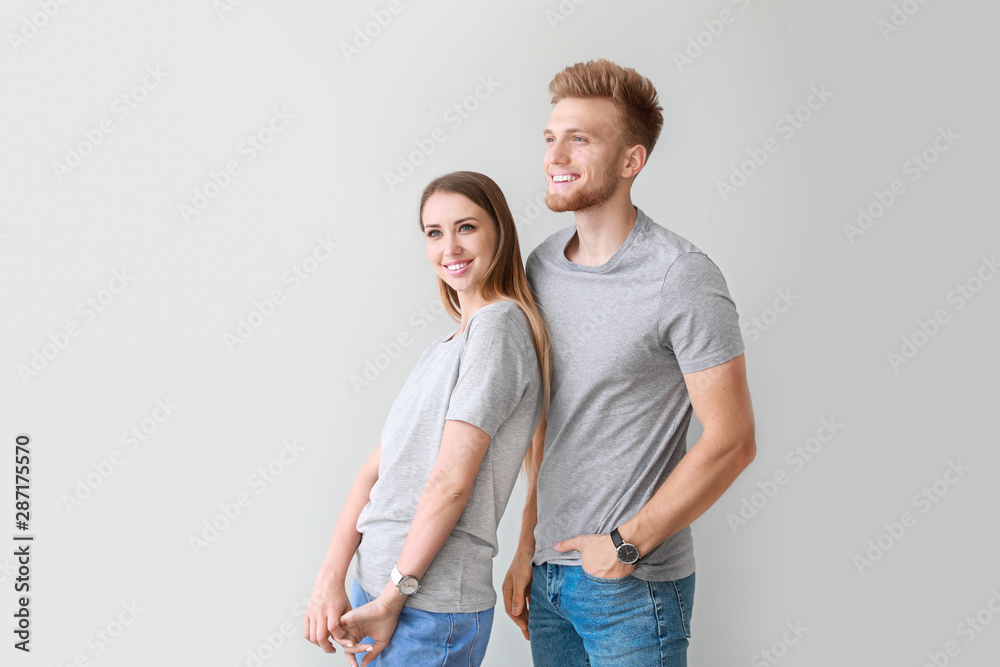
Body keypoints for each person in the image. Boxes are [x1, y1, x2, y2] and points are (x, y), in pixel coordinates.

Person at [501, 59, 757, 666]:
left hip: (634, 586)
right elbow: (546, 430)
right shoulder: (537, 270)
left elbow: (733, 440)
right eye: (550, 138)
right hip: (551, 579)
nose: (555, 155)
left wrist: (627, 544)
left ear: (631, 161)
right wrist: (524, 549)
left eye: (579, 139)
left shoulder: (681, 276)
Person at [304, 171, 549, 666]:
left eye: (467, 227)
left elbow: (451, 482)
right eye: (434, 233)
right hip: (378, 593)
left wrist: (395, 597)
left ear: (499, 231)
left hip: (425, 607)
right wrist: (330, 578)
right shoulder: (444, 348)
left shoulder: (499, 329)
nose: (450, 247)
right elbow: (374, 473)